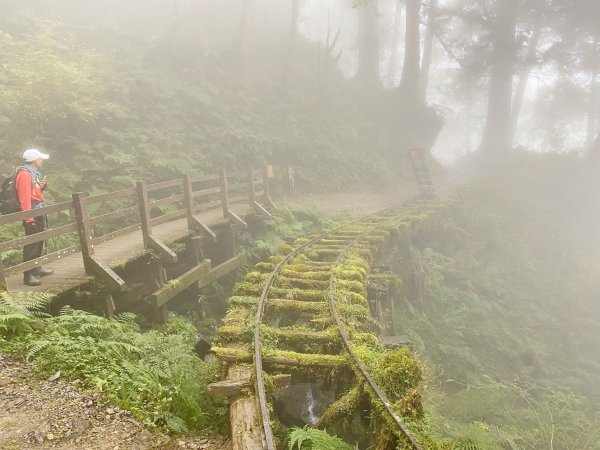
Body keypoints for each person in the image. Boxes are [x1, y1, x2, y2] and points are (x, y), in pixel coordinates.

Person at [16, 149, 54, 286]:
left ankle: (36, 268)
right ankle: (28, 275)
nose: (42, 160)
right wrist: (29, 219)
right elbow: (24, 199)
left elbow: (34, 195)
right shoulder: (25, 175)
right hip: (31, 215)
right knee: (32, 244)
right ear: (34, 160)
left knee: (39, 242)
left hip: (37, 213)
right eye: (40, 158)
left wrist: (41, 189)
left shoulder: (33, 174)